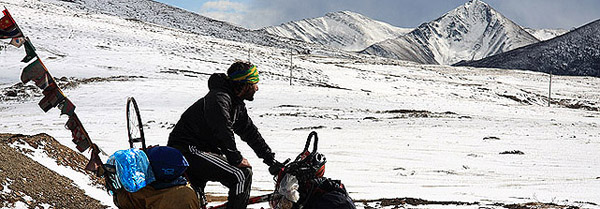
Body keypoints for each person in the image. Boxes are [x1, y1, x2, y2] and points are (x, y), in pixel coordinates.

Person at [167, 61, 281, 209]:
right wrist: (235, 157)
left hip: (201, 150)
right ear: (245, 84)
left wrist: (270, 159)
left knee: (198, 203)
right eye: (254, 83)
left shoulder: (235, 103)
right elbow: (222, 129)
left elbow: (250, 132)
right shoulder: (219, 98)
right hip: (187, 150)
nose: (257, 88)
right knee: (241, 174)